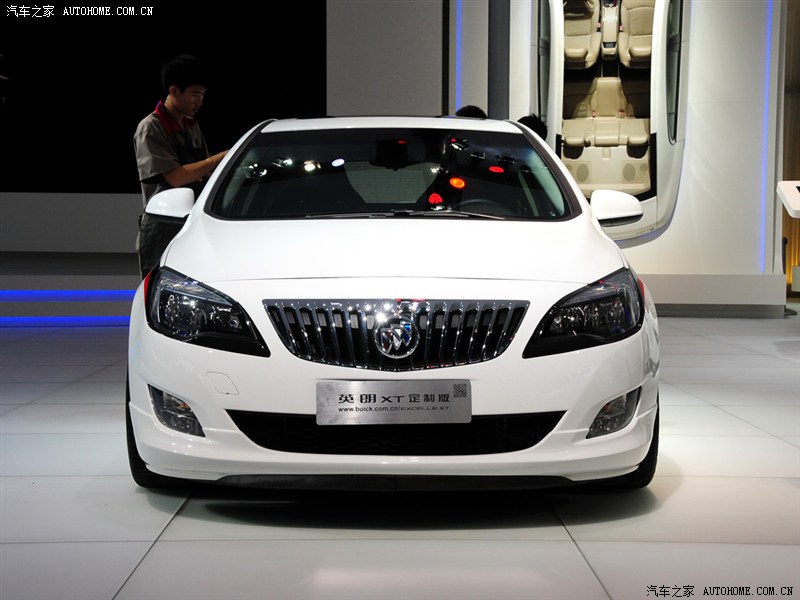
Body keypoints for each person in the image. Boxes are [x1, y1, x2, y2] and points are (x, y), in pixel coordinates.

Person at [133, 54, 228, 278]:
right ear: (174, 91)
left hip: (191, 226)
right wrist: (222, 157)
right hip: (161, 229)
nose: (200, 101)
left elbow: (203, 172)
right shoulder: (151, 128)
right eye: (195, 94)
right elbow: (175, 178)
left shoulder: (192, 127)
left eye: (202, 95)